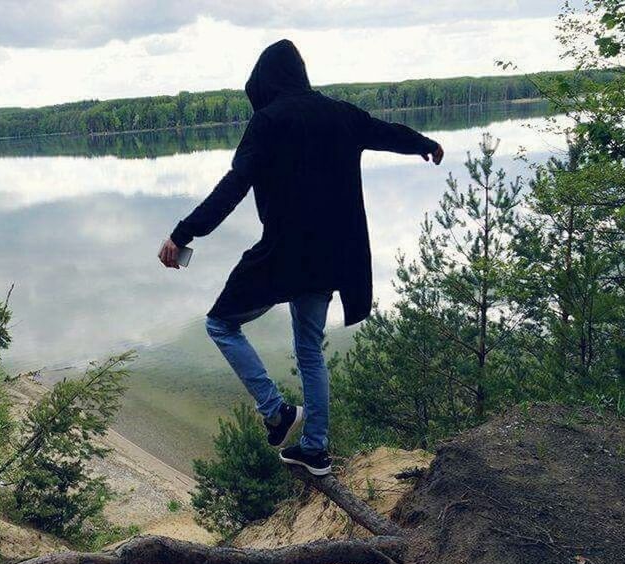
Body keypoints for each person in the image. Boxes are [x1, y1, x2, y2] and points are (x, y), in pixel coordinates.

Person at [157, 39, 443, 476]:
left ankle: (275, 411)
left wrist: (182, 234)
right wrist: (425, 143)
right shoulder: (340, 113)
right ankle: (315, 449)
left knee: (220, 323)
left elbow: (233, 188)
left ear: (264, 82)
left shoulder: (268, 123)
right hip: (333, 255)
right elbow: (386, 132)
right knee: (309, 349)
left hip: (285, 253)